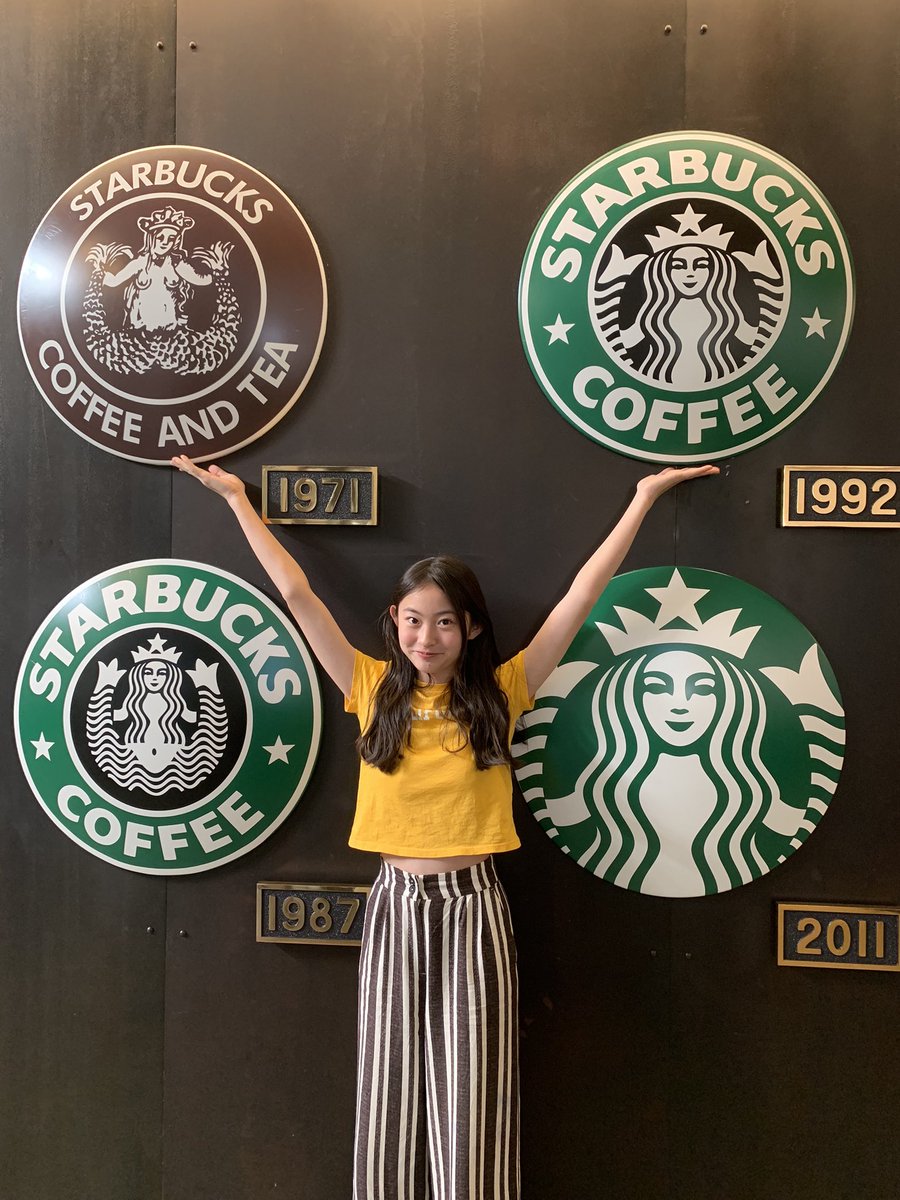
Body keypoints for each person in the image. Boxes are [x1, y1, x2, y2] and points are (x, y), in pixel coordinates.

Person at [171, 453, 717, 1200]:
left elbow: (582, 596)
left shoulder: (504, 691)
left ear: (470, 627)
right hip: (394, 904)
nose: (425, 637)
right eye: (412, 620)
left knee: (474, 1096)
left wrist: (644, 498)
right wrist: (237, 499)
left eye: (443, 622)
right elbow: (297, 594)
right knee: (387, 1094)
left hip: (473, 906)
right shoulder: (369, 687)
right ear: (394, 623)